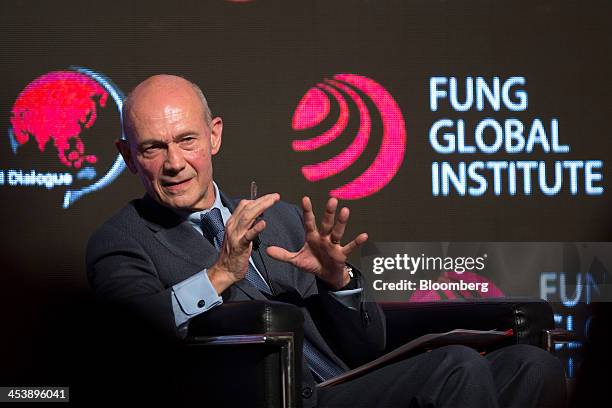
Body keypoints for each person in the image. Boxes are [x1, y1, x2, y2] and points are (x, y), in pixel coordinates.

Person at [86, 74, 567, 407]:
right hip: (284, 399)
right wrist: (220, 274)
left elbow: (368, 346)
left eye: (186, 140)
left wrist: (339, 282)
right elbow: (134, 342)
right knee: (455, 369)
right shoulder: (120, 242)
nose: (174, 162)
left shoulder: (286, 221)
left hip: (351, 382)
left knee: (532, 366)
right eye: (153, 147)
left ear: (214, 137)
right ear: (128, 155)